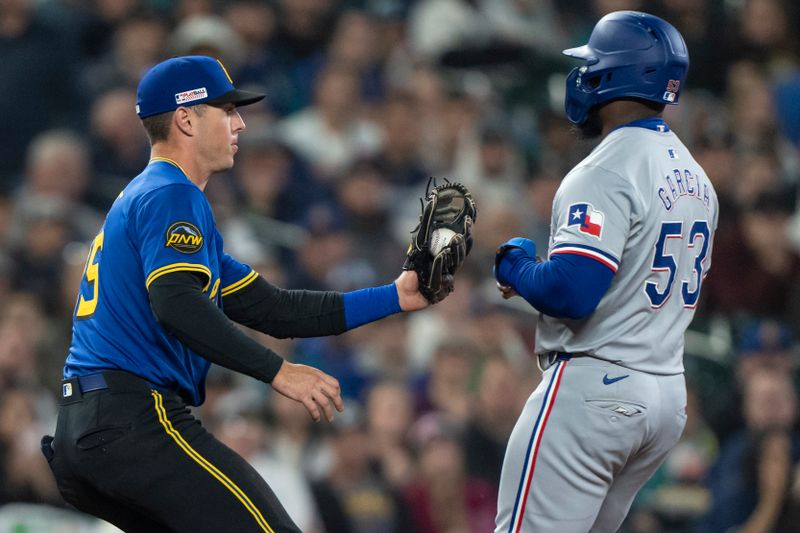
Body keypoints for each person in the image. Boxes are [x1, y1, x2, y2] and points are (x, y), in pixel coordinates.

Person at [40, 55, 438, 533]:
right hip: (133, 419)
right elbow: (176, 304)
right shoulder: (172, 194)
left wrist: (396, 296)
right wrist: (278, 372)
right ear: (186, 118)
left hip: (87, 427)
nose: (241, 122)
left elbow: (275, 309)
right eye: (226, 110)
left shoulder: (149, 198)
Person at [492, 11, 719, 533]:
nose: (582, 77)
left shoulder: (604, 169)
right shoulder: (696, 175)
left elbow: (572, 291)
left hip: (595, 388)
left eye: (591, 66)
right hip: (664, 394)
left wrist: (515, 263)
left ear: (611, 76)